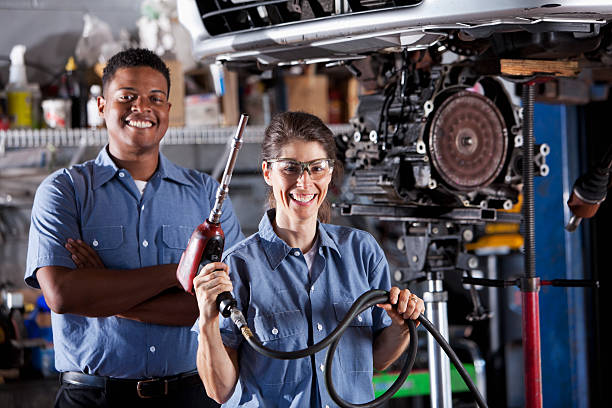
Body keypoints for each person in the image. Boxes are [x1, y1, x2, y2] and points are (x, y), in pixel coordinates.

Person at [24, 48, 243, 408]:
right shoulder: (64, 191)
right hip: (93, 398)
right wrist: (177, 274)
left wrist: (106, 295)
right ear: (101, 106)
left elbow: (222, 306)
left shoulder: (206, 194)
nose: (142, 108)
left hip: (190, 395)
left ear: (168, 111)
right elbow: (63, 296)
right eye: (127, 97)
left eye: (155, 98)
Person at [193, 111, 425, 407]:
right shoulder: (237, 267)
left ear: (329, 172)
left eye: (316, 168)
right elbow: (219, 391)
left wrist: (402, 327)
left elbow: (376, 360)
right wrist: (207, 321)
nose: (304, 182)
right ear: (268, 172)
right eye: (290, 168)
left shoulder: (362, 252)